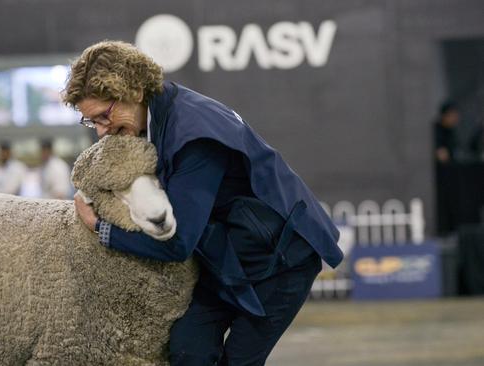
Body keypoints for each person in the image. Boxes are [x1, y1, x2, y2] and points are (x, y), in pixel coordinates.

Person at [65, 41, 343, 366]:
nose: (100, 132)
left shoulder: (194, 136)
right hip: (230, 254)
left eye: (103, 116)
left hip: (284, 260)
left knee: (239, 361)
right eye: (91, 122)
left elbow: (178, 243)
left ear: (134, 91)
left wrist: (100, 227)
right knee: (188, 350)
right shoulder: (161, 116)